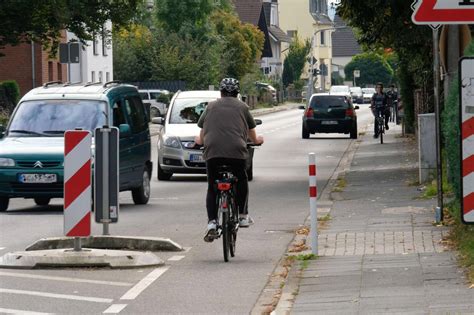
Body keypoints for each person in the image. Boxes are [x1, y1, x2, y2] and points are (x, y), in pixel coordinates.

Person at [195, 78, 264, 243]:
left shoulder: (210, 107)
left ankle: (212, 223)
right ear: (237, 93)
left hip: (213, 154)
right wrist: (259, 140)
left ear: (221, 92)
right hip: (236, 153)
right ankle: (242, 215)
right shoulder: (243, 107)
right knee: (241, 178)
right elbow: (253, 137)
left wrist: (199, 141)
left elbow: (201, 137)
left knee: (212, 186)